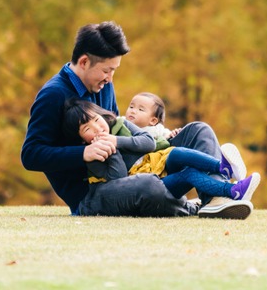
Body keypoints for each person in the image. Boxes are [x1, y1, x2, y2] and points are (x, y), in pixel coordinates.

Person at [20, 21, 250, 218]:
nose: (110, 79)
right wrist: (83, 153)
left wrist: (160, 136)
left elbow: (121, 132)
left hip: (131, 168)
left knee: (199, 131)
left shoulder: (103, 86)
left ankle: (216, 200)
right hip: (93, 192)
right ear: (83, 62)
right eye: (106, 70)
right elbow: (30, 155)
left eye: (114, 71)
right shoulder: (52, 95)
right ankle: (186, 207)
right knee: (148, 185)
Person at [63, 98, 260, 214]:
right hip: (152, 182)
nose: (97, 128)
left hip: (158, 162)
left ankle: (222, 167)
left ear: (102, 115)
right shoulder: (94, 157)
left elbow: (147, 141)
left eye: (97, 120)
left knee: (178, 153)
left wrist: (117, 141)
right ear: (82, 140)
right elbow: (120, 180)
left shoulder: (120, 124)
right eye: (88, 128)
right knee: (189, 173)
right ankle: (232, 191)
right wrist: (111, 152)